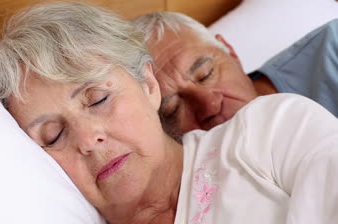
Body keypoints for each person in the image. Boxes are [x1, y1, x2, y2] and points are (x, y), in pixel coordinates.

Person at [0, 2, 338, 224]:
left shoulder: (271, 129)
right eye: (54, 136)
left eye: (98, 99)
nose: (89, 139)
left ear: (148, 85)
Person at [132, 12, 338, 139]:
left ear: (231, 52)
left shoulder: (333, 49)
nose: (209, 106)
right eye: (173, 109)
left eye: (206, 74)